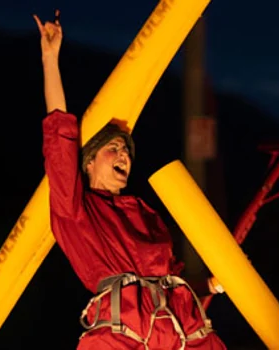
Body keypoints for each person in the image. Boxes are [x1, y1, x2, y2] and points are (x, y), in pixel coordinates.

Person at [34, 11, 228, 350]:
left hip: (181, 331)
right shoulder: (76, 209)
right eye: (113, 148)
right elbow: (60, 137)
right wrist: (50, 60)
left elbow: (171, 276)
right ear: (90, 161)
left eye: (126, 150)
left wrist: (209, 284)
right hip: (122, 333)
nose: (124, 155)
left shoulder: (143, 212)